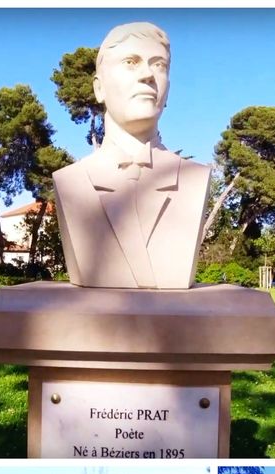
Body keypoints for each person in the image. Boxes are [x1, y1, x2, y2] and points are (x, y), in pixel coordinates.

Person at [52, 22, 212, 289]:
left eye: (159, 64)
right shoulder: (71, 181)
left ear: (167, 91)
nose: (148, 74)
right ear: (99, 89)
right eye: (130, 62)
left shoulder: (194, 178)